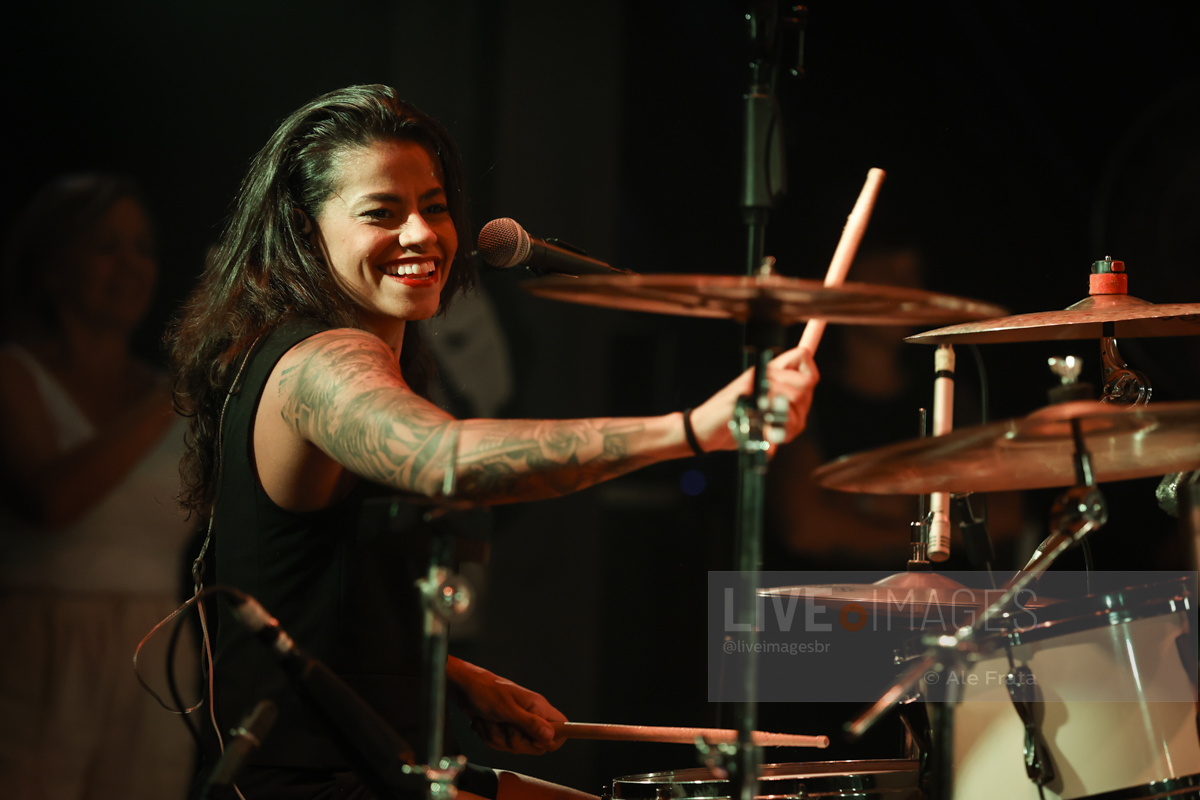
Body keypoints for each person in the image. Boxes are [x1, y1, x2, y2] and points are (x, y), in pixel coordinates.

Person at [169, 84, 818, 800]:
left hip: (378, 761)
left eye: (434, 207)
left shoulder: (321, 353)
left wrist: (446, 675)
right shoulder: (321, 363)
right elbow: (443, 460)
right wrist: (693, 430)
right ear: (303, 228)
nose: (422, 234)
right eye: (381, 213)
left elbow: (309, 604)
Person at [0, 174, 196, 799]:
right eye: (107, 246)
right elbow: (50, 501)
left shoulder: (174, 394)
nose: (131, 265)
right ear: (53, 265)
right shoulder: (13, 373)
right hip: (39, 648)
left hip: (155, 654)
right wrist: (178, 387)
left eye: (143, 248)